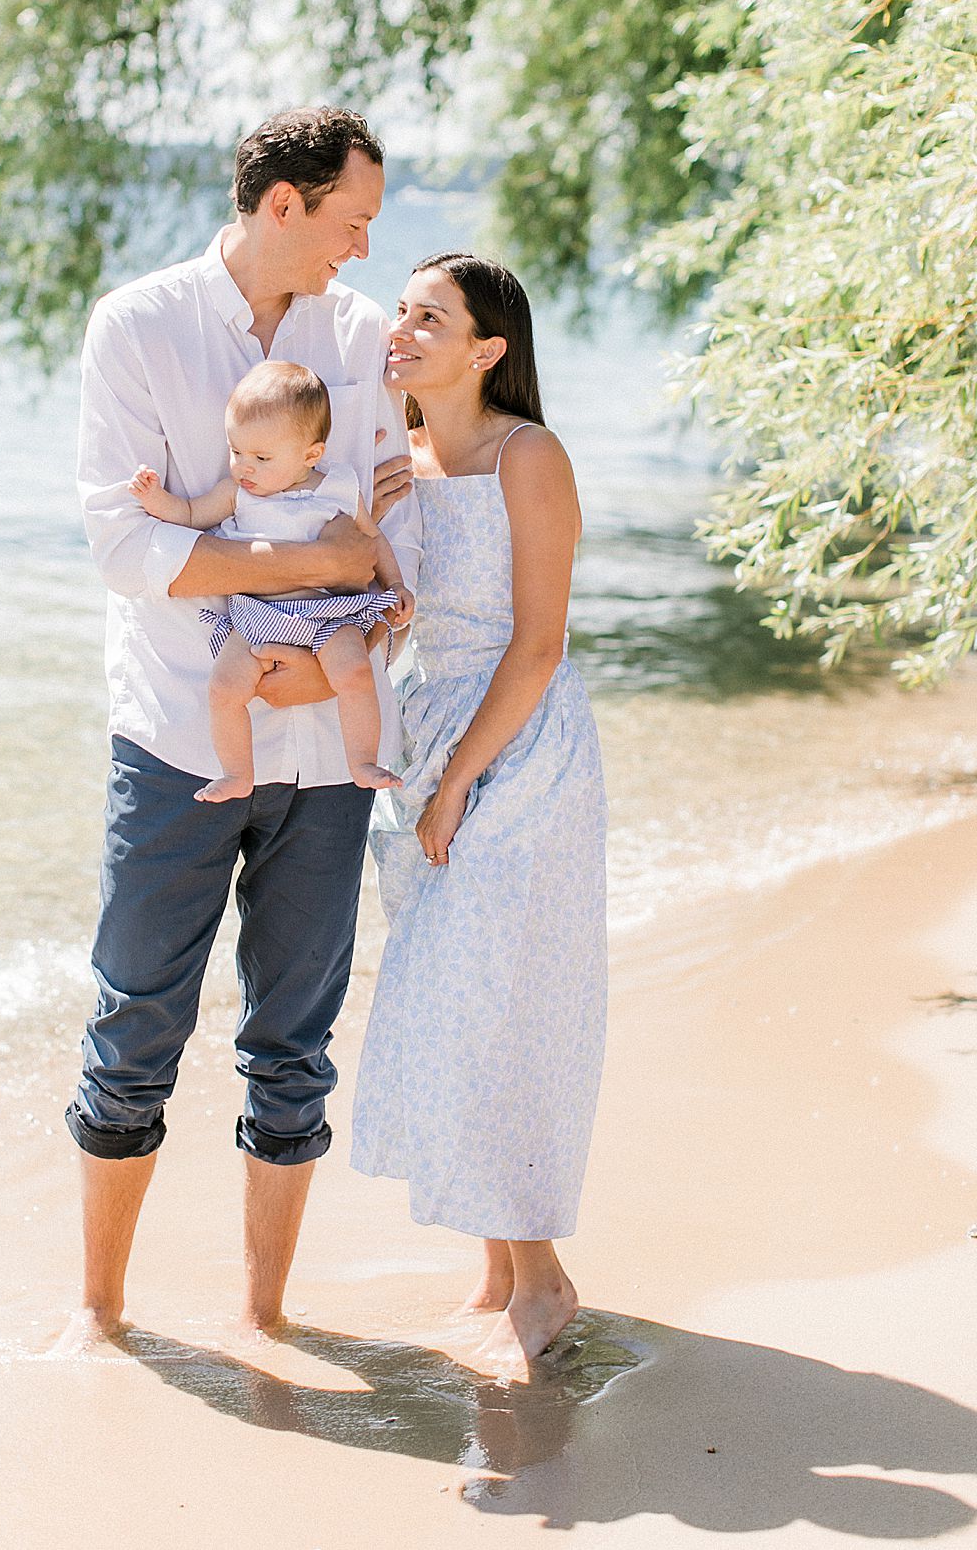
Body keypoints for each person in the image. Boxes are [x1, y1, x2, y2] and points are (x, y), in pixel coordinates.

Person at [55, 106, 421, 1354]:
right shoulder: (139, 325)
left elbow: (383, 535)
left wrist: (333, 655)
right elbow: (123, 543)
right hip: (178, 737)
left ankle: (263, 1311)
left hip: (328, 754)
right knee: (134, 1019)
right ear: (284, 204)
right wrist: (299, 553)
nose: (364, 248)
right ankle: (98, 1312)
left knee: (295, 1036)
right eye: (351, 219)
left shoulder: (361, 338)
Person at [351, 251, 607, 1381]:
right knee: (449, 1002)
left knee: (491, 1002)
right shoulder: (396, 463)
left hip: (520, 749)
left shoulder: (528, 455)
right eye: (398, 312)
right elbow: (387, 620)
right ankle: (500, 1270)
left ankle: (540, 1274)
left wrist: (456, 778)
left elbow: (538, 641)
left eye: (426, 317)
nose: (398, 330)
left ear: (485, 349)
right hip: (425, 737)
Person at [127, 361, 414, 802]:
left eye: (262, 458)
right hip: (256, 616)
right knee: (225, 689)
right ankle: (236, 774)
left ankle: (361, 761)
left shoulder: (337, 487)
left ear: (310, 455)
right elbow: (189, 516)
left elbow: (372, 541)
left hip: (325, 612)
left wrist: (395, 587)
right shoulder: (235, 492)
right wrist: (155, 498)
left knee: (355, 672)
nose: (245, 467)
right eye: (236, 451)